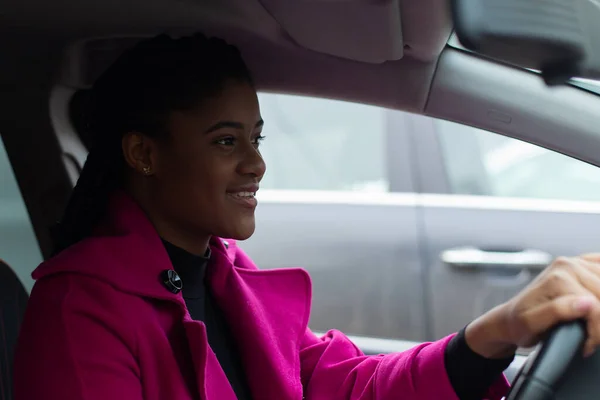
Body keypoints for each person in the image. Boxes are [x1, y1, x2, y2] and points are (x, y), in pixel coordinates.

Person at [12, 33, 600, 400]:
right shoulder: (79, 311)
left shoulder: (226, 275)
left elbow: (346, 387)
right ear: (144, 154)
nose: (256, 164)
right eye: (225, 142)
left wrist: (497, 331)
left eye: (257, 139)